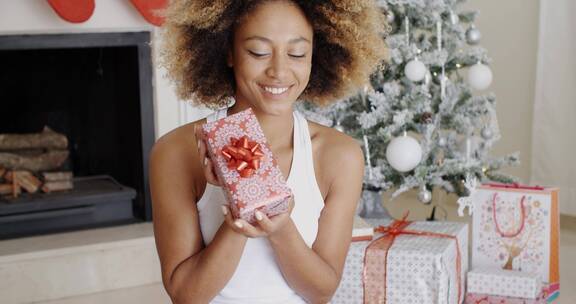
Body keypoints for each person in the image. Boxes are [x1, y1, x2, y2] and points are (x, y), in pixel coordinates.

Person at [149, 0, 388, 303]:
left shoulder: (339, 156)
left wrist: (280, 226)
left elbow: (321, 292)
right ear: (229, 52)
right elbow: (185, 295)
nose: (278, 71)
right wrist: (240, 208)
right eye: (258, 52)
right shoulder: (176, 152)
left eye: (297, 53)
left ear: (317, 54)